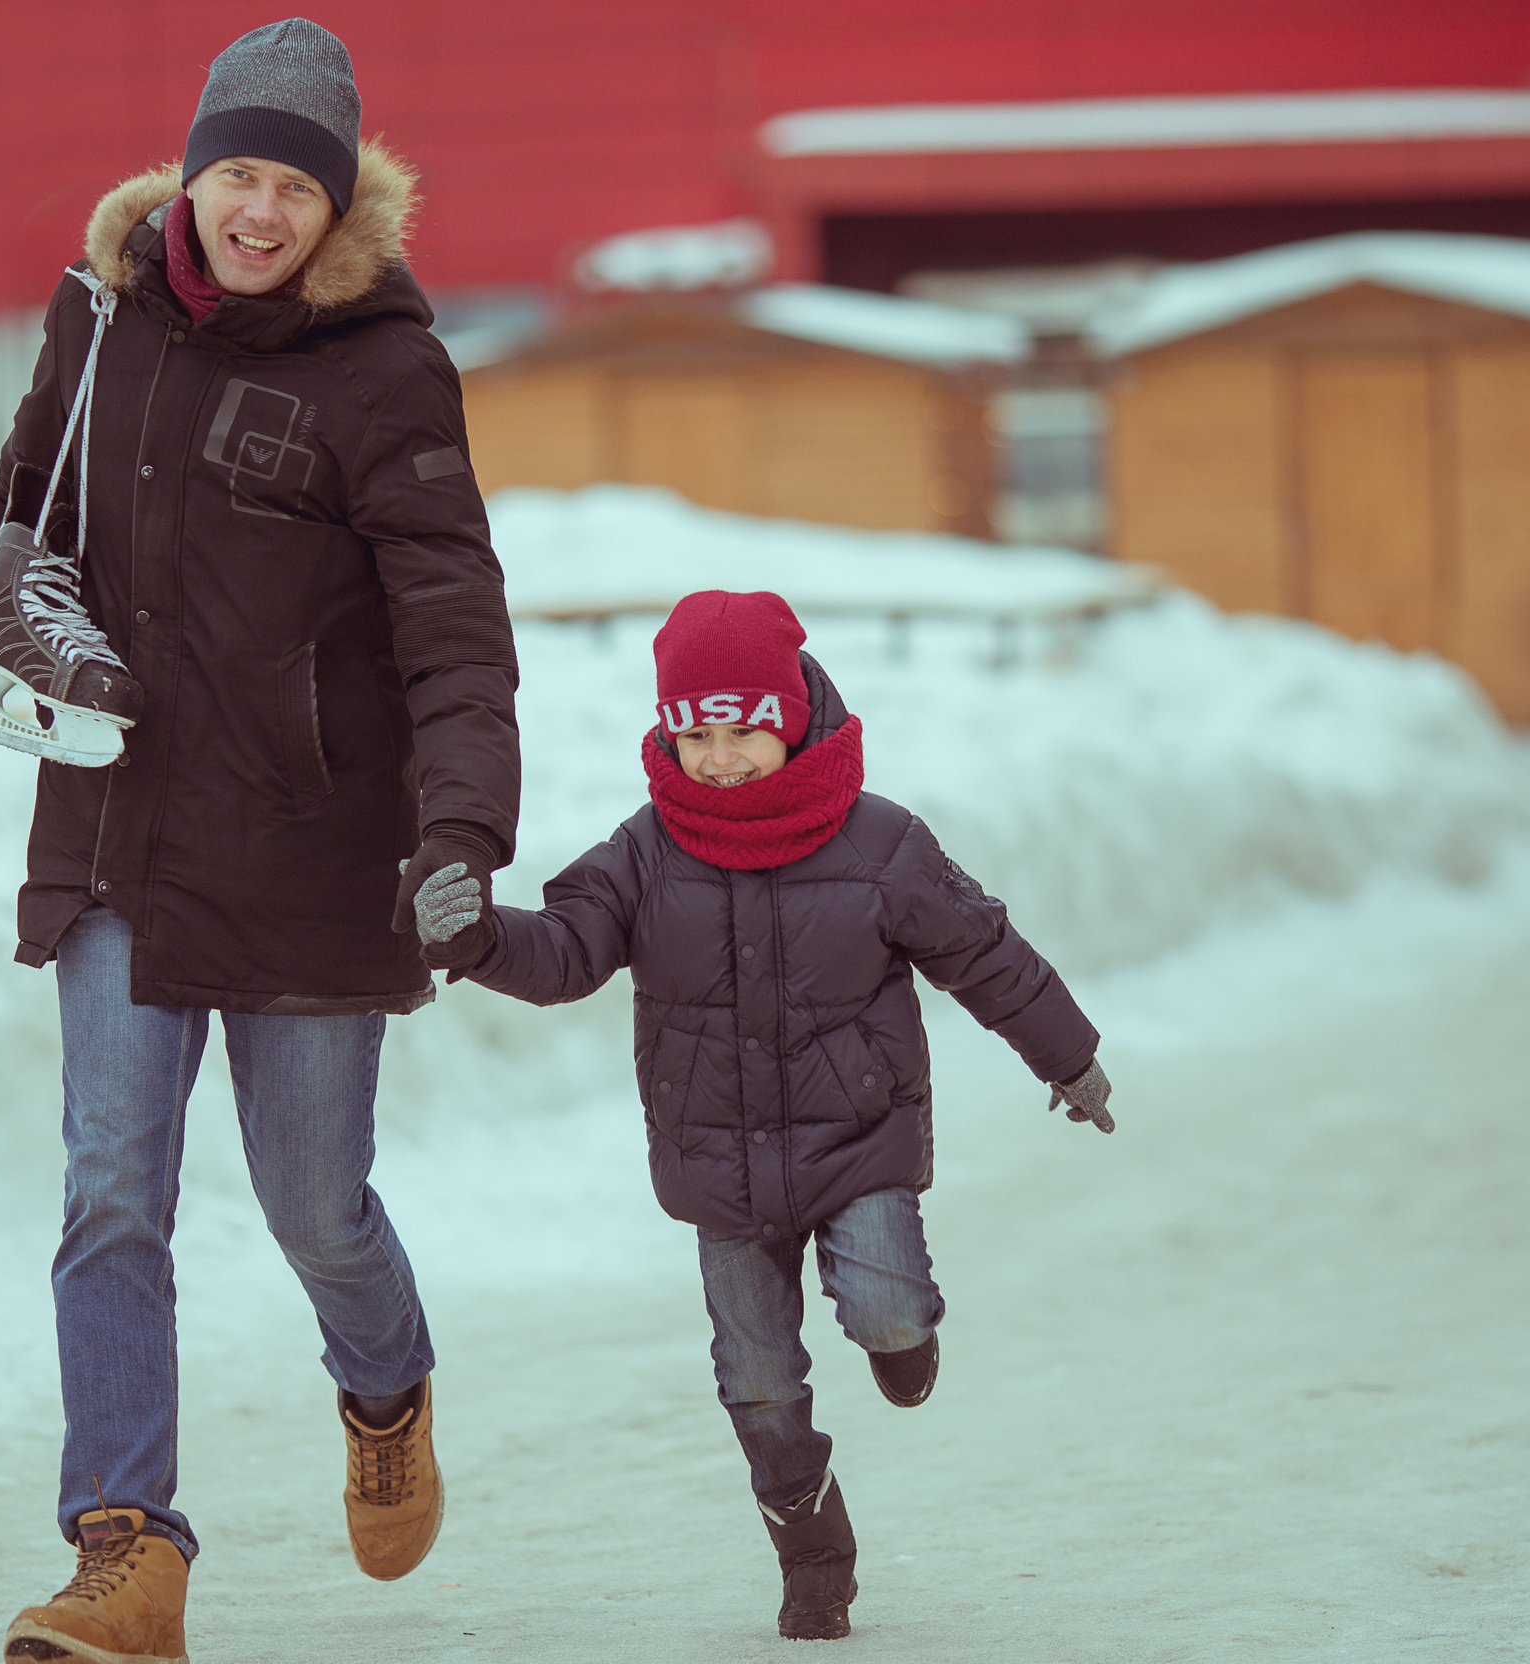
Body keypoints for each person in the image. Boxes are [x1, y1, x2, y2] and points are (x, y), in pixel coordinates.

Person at [0, 19, 519, 1664]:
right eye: (235, 174)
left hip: (309, 849)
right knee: (112, 1192)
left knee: (313, 1202)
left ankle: (386, 1384)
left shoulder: (385, 370)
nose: (258, 211)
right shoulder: (105, 317)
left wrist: (463, 826)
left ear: (336, 207)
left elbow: (452, 625)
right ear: (190, 174)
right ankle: (124, 1548)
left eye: (293, 187)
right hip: (119, 829)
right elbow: (15, 513)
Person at [409, 590, 1110, 1642]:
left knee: (886, 1308)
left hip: (857, 1138)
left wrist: (1069, 1055)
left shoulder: (880, 841)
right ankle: (812, 1548)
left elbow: (984, 952)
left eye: (742, 730)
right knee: (758, 1380)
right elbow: (565, 949)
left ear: (791, 718)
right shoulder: (645, 851)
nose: (720, 758)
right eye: (695, 735)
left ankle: (901, 1332)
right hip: (718, 1164)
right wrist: (477, 941)